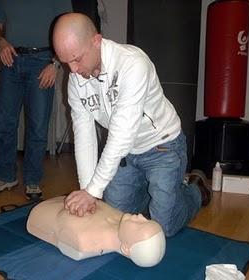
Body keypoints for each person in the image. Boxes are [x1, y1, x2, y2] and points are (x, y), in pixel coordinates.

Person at [52, 13, 212, 236]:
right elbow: (84, 134)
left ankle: (195, 190)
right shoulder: (76, 80)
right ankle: (160, 192)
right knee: (113, 219)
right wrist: (88, 190)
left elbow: (121, 135)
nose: (73, 70)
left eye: (76, 59)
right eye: (65, 62)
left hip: (162, 147)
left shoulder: (132, 64)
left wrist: (94, 191)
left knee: (162, 227)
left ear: (96, 41)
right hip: (126, 156)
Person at [0, 0, 72, 200]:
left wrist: (55, 63)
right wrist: (1, 41)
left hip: (43, 61)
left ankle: (32, 180)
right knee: (4, 123)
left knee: (38, 125)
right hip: (10, 60)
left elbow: (68, 27)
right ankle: (5, 176)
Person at [27, 196, 166, 267]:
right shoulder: (122, 220)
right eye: (147, 220)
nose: (141, 216)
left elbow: (64, 220)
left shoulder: (83, 240)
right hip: (60, 202)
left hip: (41, 212)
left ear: (126, 248)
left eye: (140, 225)